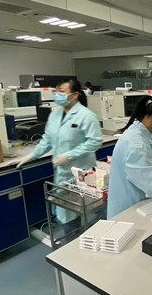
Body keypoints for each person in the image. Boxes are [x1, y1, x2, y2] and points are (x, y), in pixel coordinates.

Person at [16, 79, 103, 222]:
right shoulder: (54, 115)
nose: (57, 95)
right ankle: (70, 231)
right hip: (62, 172)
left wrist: (70, 155)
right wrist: (31, 156)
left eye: (62, 91)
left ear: (75, 94)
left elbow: (95, 141)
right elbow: (47, 140)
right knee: (65, 211)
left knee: (85, 213)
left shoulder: (86, 116)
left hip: (81, 172)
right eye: (56, 91)